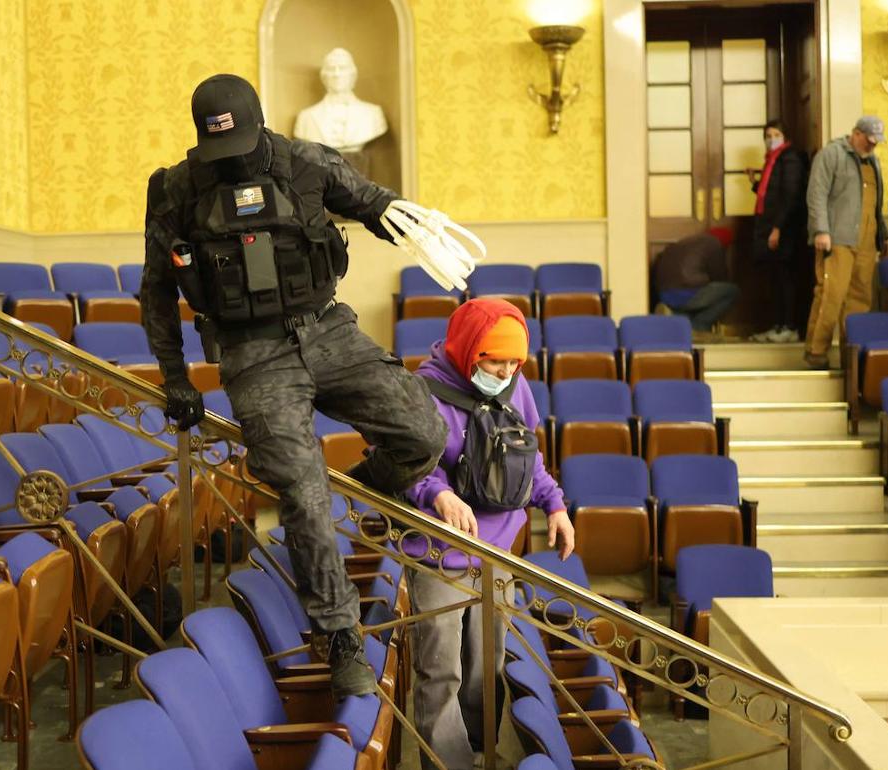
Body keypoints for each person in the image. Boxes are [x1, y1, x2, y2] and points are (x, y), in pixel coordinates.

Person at [140, 74, 447, 698]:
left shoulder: (308, 161)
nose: (230, 161)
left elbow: (369, 200)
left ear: (261, 124)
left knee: (425, 432)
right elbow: (157, 291)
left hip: (327, 329)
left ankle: (363, 489)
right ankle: (340, 635)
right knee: (304, 493)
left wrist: (396, 215)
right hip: (253, 355)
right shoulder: (175, 189)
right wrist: (174, 377)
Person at [402, 297, 574, 770]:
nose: (505, 372)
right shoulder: (423, 392)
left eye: (514, 362)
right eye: (495, 361)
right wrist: (438, 494)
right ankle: (449, 765)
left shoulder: (516, 387)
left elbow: (528, 458)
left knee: (485, 671)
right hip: (439, 554)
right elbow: (402, 463)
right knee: (441, 673)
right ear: (467, 349)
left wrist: (555, 504)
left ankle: (481, 756)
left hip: (495, 554)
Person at [803, 116, 888, 369]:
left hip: (867, 240)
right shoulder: (830, 154)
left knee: (860, 299)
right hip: (837, 238)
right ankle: (816, 352)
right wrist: (821, 230)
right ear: (856, 133)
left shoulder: (873, 161)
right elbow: (816, 194)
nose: (872, 146)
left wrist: (882, 235)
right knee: (831, 295)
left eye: (876, 142)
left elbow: (876, 203)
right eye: (869, 140)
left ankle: (850, 357)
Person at [745, 120, 807, 342]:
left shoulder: (790, 159)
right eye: (768, 135)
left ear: (785, 136)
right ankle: (778, 325)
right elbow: (771, 193)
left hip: (784, 229)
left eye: (776, 134)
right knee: (775, 277)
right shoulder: (773, 159)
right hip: (771, 227)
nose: (772, 139)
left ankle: (789, 326)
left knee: (785, 277)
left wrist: (778, 228)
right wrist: (755, 183)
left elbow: (790, 196)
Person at [293, 48, 389, 154]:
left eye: (342, 68)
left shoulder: (373, 114)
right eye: (331, 69)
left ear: (353, 75)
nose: (337, 74)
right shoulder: (306, 117)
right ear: (324, 76)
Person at [652, 227, 740, 342]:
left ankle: (673, 316)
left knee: (691, 305)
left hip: (663, 293)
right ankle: (699, 327)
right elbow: (719, 276)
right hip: (687, 292)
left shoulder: (686, 242)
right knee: (731, 290)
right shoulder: (714, 243)